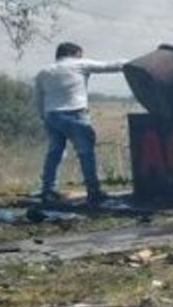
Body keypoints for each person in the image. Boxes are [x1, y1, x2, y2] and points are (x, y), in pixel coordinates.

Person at [34, 41, 126, 207]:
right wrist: (135, 63)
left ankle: (48, 190)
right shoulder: (79, 64)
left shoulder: (44, 72)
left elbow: (39, 98)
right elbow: (111, 66)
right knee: (86, 153)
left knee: (54, 153)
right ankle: (93, 191)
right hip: (75, 114)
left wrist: (44, 117)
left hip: (52, 115)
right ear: (75, 53)